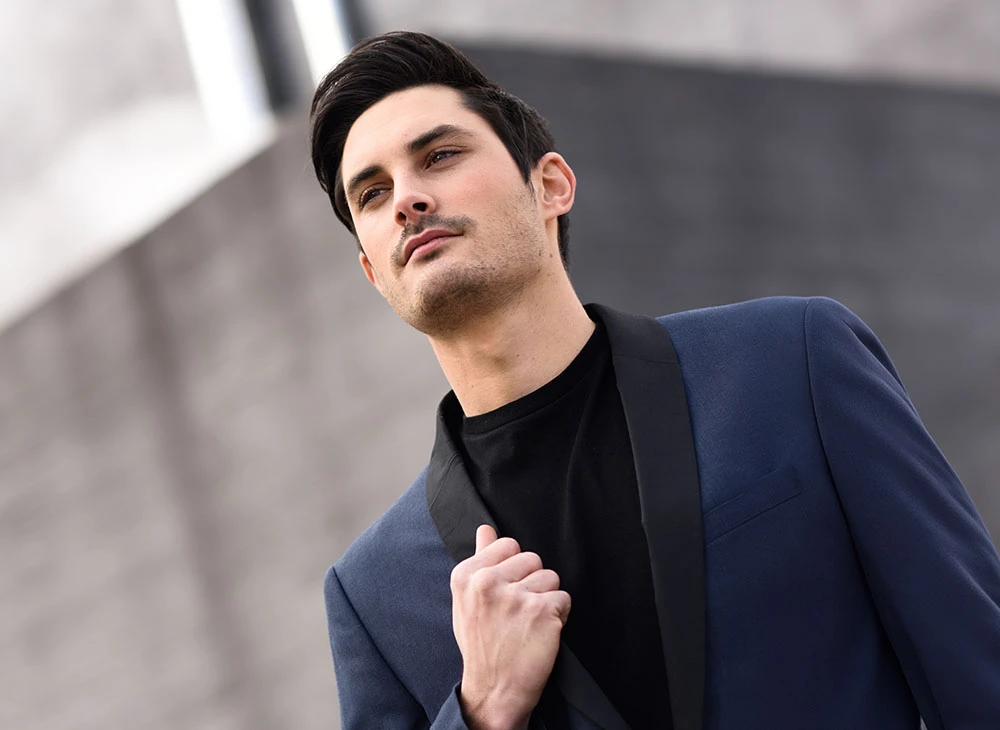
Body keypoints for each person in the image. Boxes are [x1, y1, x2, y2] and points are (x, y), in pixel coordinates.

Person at [310, 31, 1000, 730]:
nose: (408, 199)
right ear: (374, 271)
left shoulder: (794, 364)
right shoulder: (373, 595)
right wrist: (481, 709)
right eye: (373, 193)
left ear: (550, 186)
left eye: (440, 156)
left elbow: (979, 671)